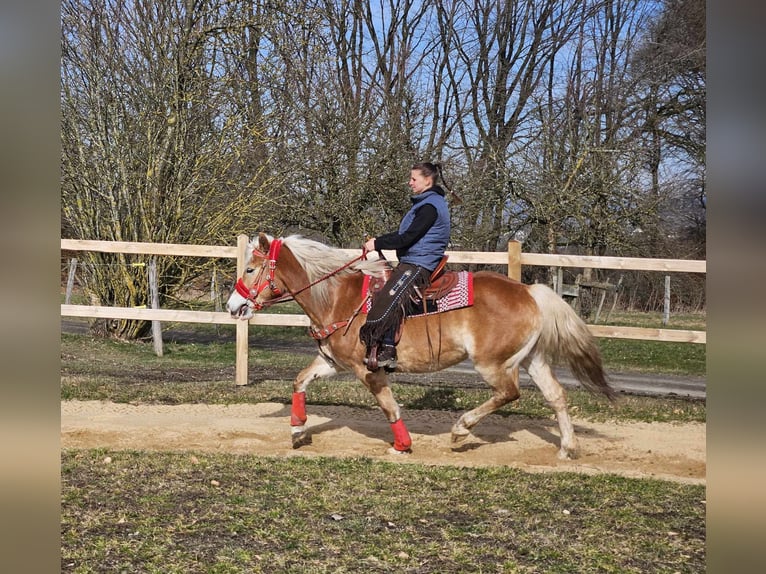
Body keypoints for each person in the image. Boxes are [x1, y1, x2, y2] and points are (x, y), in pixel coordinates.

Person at [360, 162, 451, 371]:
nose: (409, 183)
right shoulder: (425, 204)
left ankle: (389, 349)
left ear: (427, 180)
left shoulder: (429, 206)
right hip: (415, 259)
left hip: (420, 262)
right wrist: (379, 240)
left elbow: (407, 238)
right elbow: (403, 236)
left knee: (389, 295)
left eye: (413, 179)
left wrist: (378, 243)